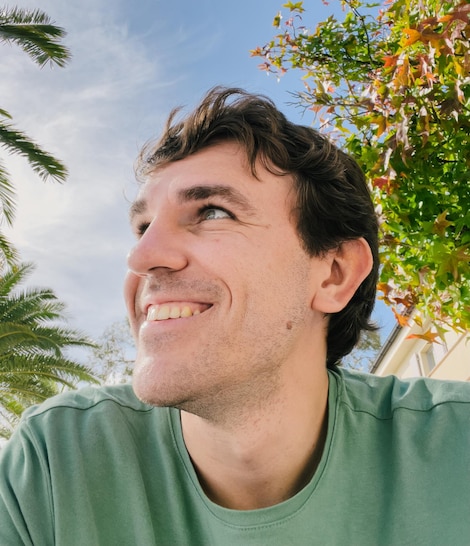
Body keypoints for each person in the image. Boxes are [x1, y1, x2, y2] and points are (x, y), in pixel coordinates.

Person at [0, 87, 469, 545]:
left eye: (213, 212)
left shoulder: (456, 447)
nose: (142, 256)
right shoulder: (51, 464)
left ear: (334, 274)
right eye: (142, 227)